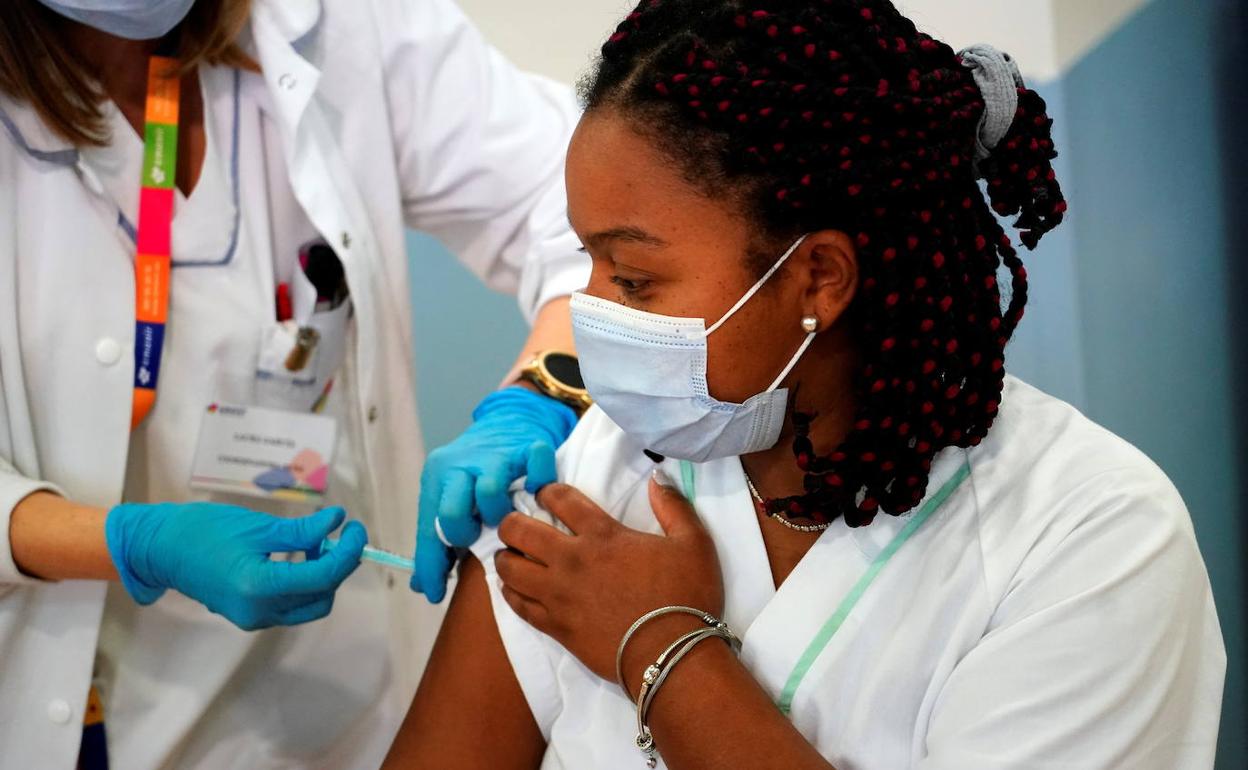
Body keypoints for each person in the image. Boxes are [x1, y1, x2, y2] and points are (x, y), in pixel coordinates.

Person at [386, 1, 1227, 768]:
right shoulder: (589, 476)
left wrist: (662, 646)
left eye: (635, 280)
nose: (591, 312)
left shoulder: (1088, 540)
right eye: (587, 261)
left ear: (819, 277)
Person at [0, 0, 588, 768]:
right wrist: (134, 545)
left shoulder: (337, 21)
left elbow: (599, 199)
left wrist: (536, 397)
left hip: (339, 701)